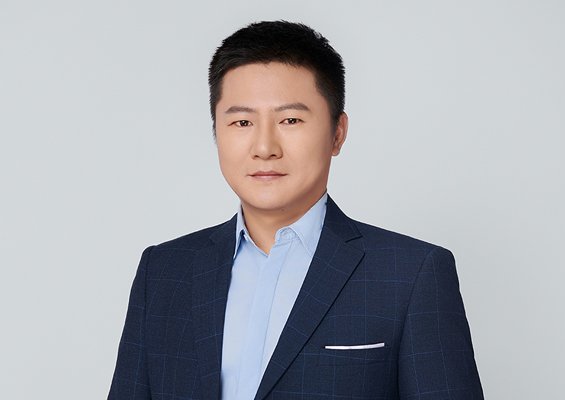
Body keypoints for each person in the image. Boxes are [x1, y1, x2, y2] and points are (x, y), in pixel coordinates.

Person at [108, 20, 484, 400]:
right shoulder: (164, 271)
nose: (264, 147)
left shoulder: (411, 275)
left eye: (290, 120)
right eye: (242, 121)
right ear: (216, 131)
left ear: (337, 133)